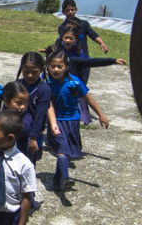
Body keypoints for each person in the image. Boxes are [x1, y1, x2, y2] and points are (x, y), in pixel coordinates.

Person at [46, 50, 109, 191]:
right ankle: (65, 177)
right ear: (48, 66)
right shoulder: (47, 83)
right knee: (62, 148)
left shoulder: (74, 81)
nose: (56, 69)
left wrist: (101, 115)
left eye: (60, 66)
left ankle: (57, 179)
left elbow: (88, 98)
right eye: (53, 66)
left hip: (73, 120)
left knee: (66, 151)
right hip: (56, 120)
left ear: (66, 67)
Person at [17, 52, 58, 166]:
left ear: (41, 69)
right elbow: (6, 108)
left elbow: (41, 114)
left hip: (32, 133)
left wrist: (33, 137)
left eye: (34, 72)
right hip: (15, 131)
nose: (30, 75)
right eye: (26, 71)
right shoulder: (17, 85)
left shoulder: (43, 89)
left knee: (27, 164)